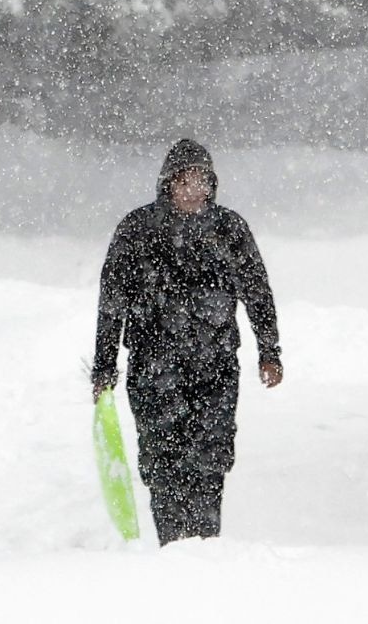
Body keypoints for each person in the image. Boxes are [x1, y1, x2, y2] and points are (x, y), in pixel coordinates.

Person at [90, 137, 282, 541]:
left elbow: (257, 291)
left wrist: (270, 350)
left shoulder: (230, 229)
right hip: (153, 372)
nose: (195, 190)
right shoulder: (137, 230)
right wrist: (105, 366)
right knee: (163, 465)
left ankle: (206, 546)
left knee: (210, 462)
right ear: (168, 184)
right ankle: (172, 548)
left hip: (216, 371)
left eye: (203, 181)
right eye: (186, 181)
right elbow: (111, 304)